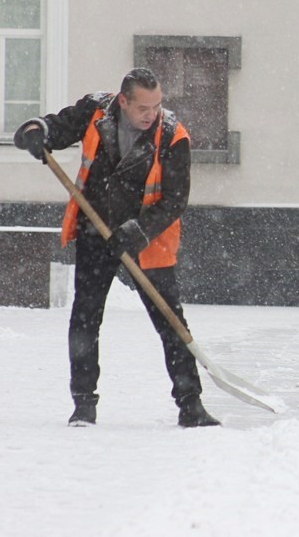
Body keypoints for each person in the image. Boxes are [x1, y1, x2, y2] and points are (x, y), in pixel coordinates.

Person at [13, 68, 220, 427]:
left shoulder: (172, 134)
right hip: (96, 231)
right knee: (85, 318)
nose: (151, 114)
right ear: (123, 101)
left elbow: (175, 201)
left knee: (169, 321)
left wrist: (136, 231)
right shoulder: (97, 110)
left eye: (156, 106)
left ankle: (191, 406)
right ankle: (83, 404)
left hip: (147, 241)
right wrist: (37, 132)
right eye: (143, 107)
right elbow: (59, 127)